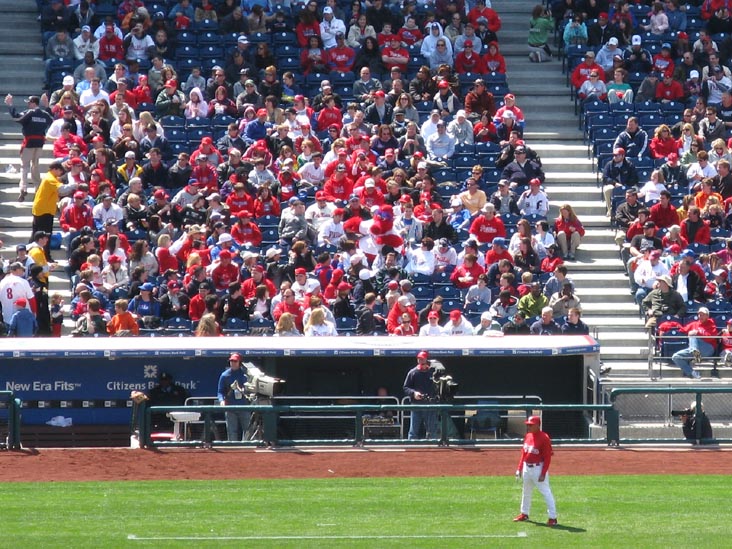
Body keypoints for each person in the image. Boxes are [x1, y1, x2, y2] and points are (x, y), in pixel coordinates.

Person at [5, 94, 55, 202]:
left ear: (33, 103)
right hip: (40, 143)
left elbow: (17, 117)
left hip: (29, 142)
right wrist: (47, 106)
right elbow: (52, 120)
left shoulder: (30, 113)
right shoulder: (44, 114)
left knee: (24, 166)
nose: (28, 104)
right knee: (35, 164)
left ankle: (23, 188)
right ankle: (37, 187)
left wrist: (10, 105)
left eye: (29, 102)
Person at [513, 415, 558, 527]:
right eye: (528, 425)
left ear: (537, 425)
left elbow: (547, 457)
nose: (528, 427)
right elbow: (523, 453)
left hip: (538, 468)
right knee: (526, 492)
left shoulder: (544, 438)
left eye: (531, 425)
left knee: (546, 492)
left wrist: (543, 473)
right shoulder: (528, 436)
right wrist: (519, 468)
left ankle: (553, 518)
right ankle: (524, 513)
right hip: (526, 468)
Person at [671, 306, 718, 379]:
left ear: (707, 316)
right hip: (695, 351)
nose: (700, 316)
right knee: (675, 357)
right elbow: (682, 330)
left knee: (693, 335)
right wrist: (669, 325)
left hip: (708, 348)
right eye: (699, 314)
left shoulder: (712, 325)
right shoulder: (694, 324)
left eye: (702, 315)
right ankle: (693, 373)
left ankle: (695, 353)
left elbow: (711, 338)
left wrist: (698, 332)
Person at [403, 350, 437, 440]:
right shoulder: (413, 372)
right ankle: (411, 445)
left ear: (427, 360)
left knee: (432, 431)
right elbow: (406, 387)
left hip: (430, 404)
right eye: (419, 359)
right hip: (416, 404)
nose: (420, 361)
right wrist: (414, 393)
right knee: (413, 430)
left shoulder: (433, 372)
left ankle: (432, 444)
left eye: (422, 359)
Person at [217, 352, 251, 441]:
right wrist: (221, 400)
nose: (233, 363)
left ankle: (247, 447)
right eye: (231, 361)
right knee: (232, 431)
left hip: (244, 406)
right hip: (230, 407)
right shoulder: (224, 375)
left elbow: (251, 390)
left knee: (248, 430)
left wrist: (244, 390)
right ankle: (233, 447)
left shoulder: (245, 374)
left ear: (239, 362)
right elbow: (220, 392)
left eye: (235, 361)